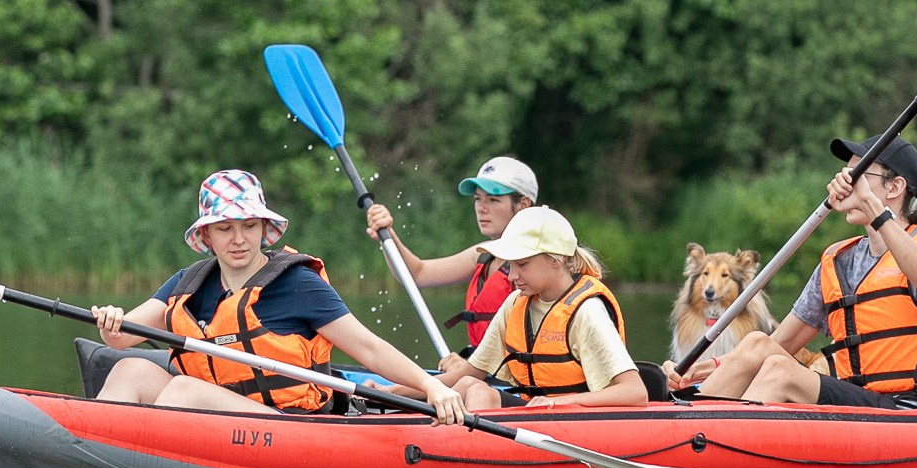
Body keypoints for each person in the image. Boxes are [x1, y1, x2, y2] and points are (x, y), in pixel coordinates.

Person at [91, 169, 465, 422]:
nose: (239, 239)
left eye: (249, 226)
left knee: (185, 390)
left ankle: (138, 463)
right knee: (130, 370)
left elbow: (369, 348)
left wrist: (430, 385)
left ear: (263, 228)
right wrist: (111, 322)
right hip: (215, 415)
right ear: (206, 236)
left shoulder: (297, 283)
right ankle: (100, 447)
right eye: (225, 229)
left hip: (286, 425)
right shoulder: (187, 284)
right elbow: (120, 338)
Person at [687, 138, 917, 408]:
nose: (845, 181)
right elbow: (777, 344)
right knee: (757, 342)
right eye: (846, 172)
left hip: (916, 405)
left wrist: (872, 207)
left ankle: (715, 433)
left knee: (780, 371)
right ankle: (691, 416)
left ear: (894, 187)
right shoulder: (839, 260)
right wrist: (709, 368)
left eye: (857, 174)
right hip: (856, 398)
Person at [436, 207, 648, 410]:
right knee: (471, 387)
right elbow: (471, 372)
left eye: (523, 264)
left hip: (577, 420)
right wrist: (420, 387)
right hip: (535, 413)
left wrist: (559, 403)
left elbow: (635, 392)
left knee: (475, 391)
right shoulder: (515, 303)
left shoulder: (587, 311)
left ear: (556, 260)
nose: (512, 276)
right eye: (510, 265)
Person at [361, 155, 540, 347]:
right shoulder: (482, 255)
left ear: (523, 205)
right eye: (477, 199)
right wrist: (388, 236)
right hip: (480, 363)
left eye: (493, 200)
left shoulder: (540, 262)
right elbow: (416, 274)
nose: (481, 208)